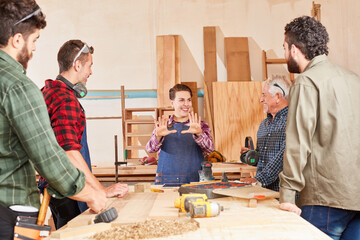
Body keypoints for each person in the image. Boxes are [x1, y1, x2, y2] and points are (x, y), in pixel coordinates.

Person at [0, 1, 106, 239]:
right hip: (11, 208)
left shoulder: (45, 89)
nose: (35, 48)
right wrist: (93, 193)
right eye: (34, 40)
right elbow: (49, 155)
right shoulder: (17, 86)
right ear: (17, 40)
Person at [279, 16, 360, 240]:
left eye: (285, 48)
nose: (285, 54)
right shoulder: (354, 80)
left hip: (324, 199)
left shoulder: (306, 82)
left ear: (294, 49)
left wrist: (287, 194)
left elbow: (298, 144)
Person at [38, 39, 129, 229]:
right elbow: (69, 152)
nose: (90, 72)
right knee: (79, 232)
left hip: (58, 187)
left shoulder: (50, 90)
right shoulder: (65, 99)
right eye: (89, 66)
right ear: (77, 65)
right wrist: (100, 190)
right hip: (69, 189)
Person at [146, 84, 214, 185]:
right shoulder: (163, 125)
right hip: (166, 180)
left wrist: (199, 134)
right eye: (181, 100)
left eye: (189, 100)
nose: (186, 104)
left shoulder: (200, 125)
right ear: (172, 103)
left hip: (195, 180)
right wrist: (158, 136)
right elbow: (149, 149)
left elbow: (210, 149)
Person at [240, 75, 291, 192]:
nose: (261, 99)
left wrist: (259, 180)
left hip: (283, 193)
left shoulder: (292, 122)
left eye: (264, 95)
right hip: (263, 191)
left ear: (278, 97)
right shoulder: (264, 124)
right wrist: (251, 156)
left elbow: (285, 157)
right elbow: (263, 160)